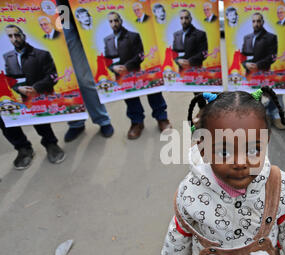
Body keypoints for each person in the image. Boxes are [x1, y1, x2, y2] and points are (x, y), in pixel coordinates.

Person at [161, 87, 285, 255]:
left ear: (266, 141)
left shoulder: (278, 184)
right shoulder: (191, 191)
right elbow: (181, 228)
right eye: (224, 151)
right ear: (203, 147)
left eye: (253, 149)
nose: (240, 162)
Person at [1, 25, 65, 168]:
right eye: (10, 36)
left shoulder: (42, 54)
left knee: (39, 116)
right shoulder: (7, 57)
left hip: (37, 95)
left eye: (16, 35)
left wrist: (36, 88)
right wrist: (18, 88)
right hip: (14, 97)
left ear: (23, 35)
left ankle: (50, 143)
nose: (14, 39)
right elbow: (10, 79)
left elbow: (53, 76)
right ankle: (23, 148)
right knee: (5, 118)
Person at [104, 11, 171, 139]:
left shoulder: (133, 36)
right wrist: (113, 67)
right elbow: (107, 60)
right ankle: (136, 122)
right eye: (111, 21)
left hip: (136, 70)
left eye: (116, 20)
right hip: (120, 75)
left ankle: (162, 117)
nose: (114, 24)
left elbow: (140, 54)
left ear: (121, 21)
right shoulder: (107, 40)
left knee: (154, 90)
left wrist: (127, 67)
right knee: (130, 96)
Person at [56, 0, 114, 142]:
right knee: (66, 77)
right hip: (59, 11)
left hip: (84, 6)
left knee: (85, 78)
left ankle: (102, 119)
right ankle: (76, 122)